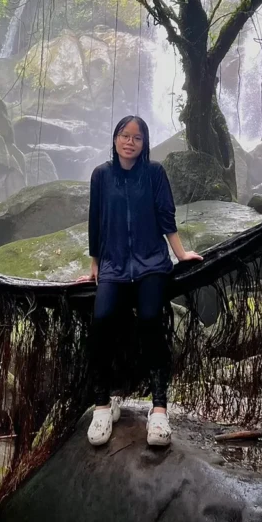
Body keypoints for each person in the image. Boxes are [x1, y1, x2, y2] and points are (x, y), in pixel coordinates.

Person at [82, 115, 202, 448]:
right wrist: (95, 266)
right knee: (103, 319)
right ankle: (104, 404)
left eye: (137, 137)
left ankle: (159, 409)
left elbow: (166, 215)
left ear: (144, 143)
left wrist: (180, 254)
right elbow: (96, 222)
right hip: (114, 265)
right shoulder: (101, 176)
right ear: (115, 139)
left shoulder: (154, 173)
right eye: (124, 135)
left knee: (151, 320)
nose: (130, 142)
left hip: (151, 263)